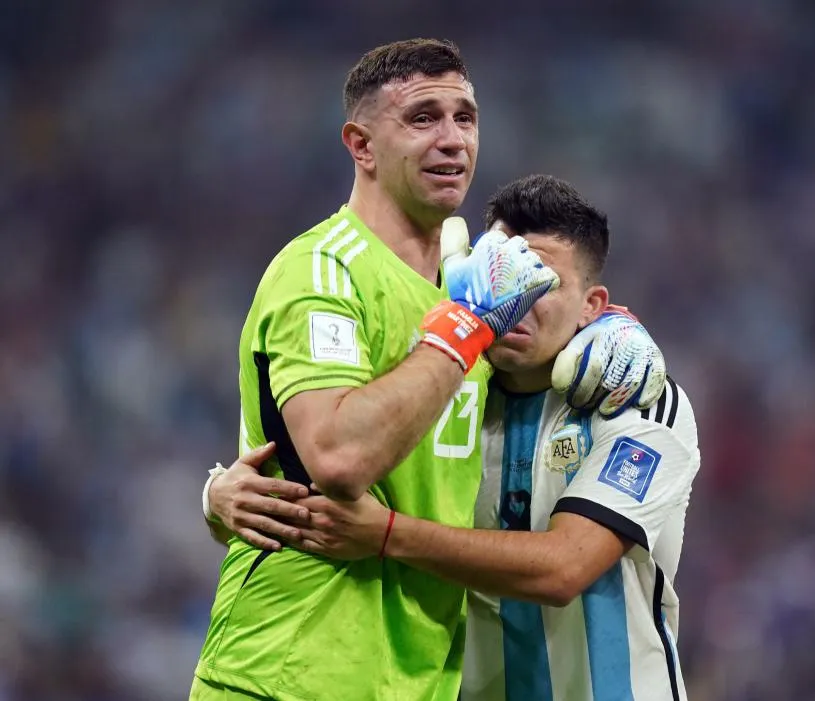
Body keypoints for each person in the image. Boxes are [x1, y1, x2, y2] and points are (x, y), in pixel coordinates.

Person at [192, 39, 665, 701]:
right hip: (287, 670)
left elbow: (546, 333)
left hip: (419, 679)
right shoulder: (322, 271)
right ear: (360, 145)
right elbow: (338, 455)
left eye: (464, 118)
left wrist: (621, 327)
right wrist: (217, 497)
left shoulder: (470, 282)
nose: (452, 140)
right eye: (422, 118)